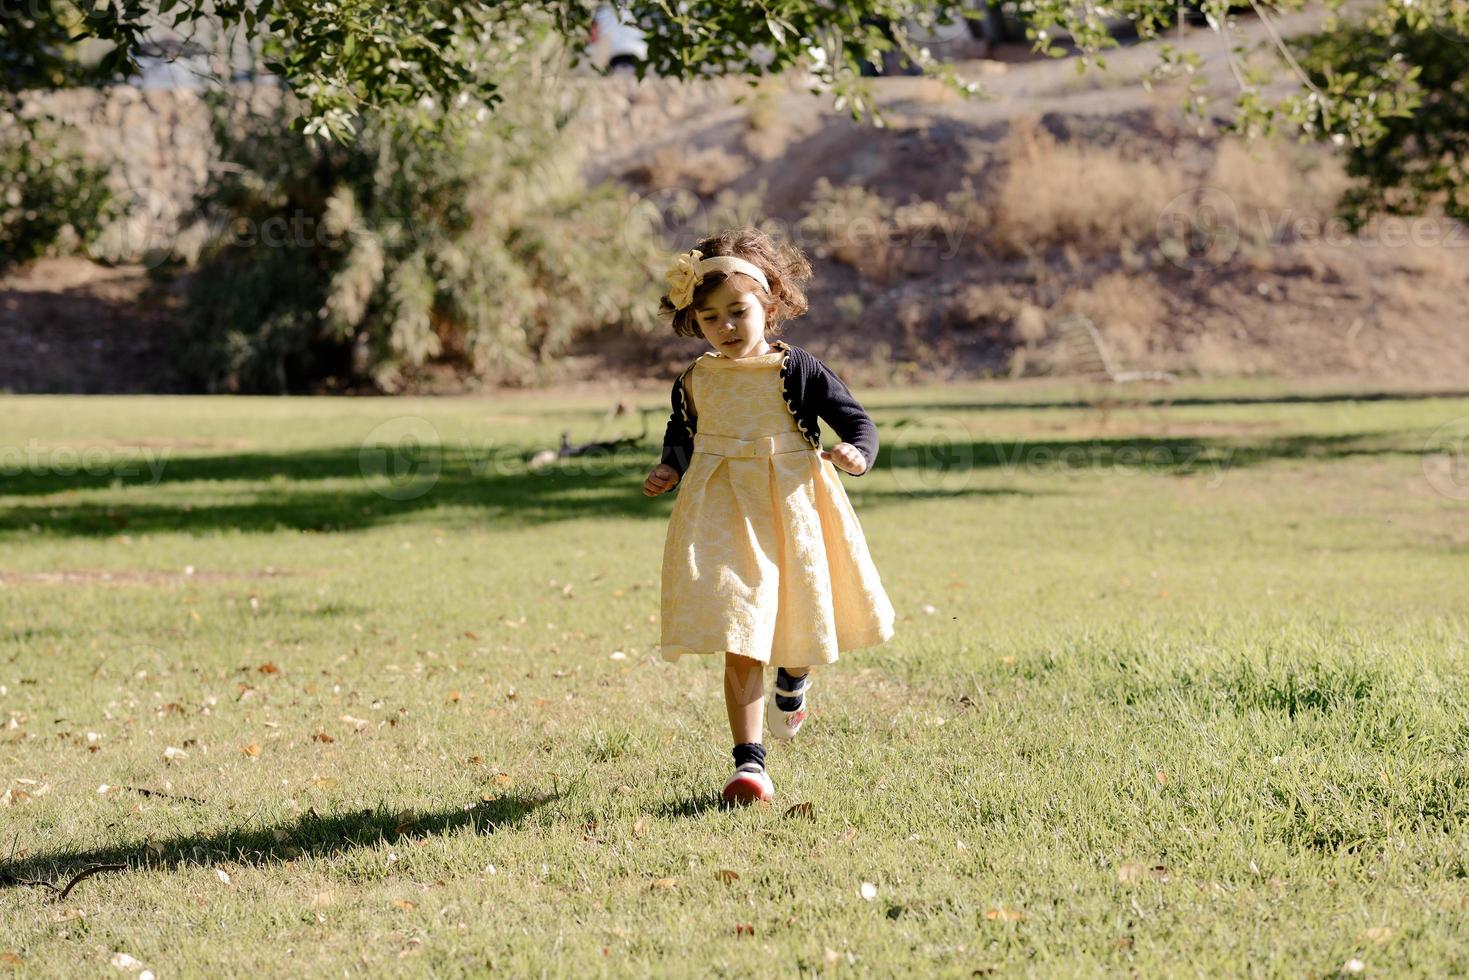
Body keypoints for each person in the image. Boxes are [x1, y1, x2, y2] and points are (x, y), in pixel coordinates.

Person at [641, 226, 897, 805]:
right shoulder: (694, 380)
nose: (726, 327)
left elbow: (858, 423)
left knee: (796, 619)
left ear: (770, 305)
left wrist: (857, 454)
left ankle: (795, 678)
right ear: (695, 322)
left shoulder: (798, 369)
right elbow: (682, 436)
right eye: (711, 319)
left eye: (738, 312)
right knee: (741, 626)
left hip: (793, 507)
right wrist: (669, 468)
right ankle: (749, 765)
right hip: (722, 512)